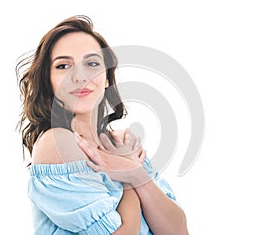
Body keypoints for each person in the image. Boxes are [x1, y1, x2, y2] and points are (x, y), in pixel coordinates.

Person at [16, 15, 189, 235]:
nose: (79, 76)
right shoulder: (57, 143)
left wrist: (136, 174)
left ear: (107, 78)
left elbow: (178, 231)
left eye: (92, 64)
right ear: (48, 81)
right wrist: (129, 178)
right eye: (63, 66)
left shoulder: (121, 145)